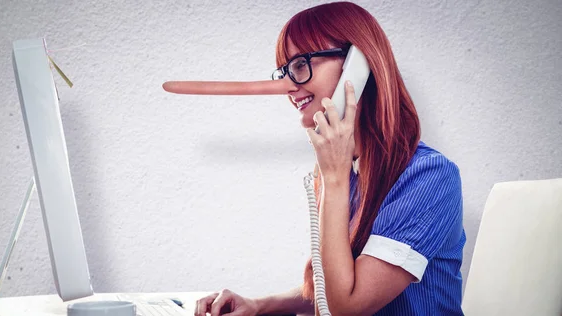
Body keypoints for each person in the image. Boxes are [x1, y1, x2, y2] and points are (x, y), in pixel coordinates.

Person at [194, 1, 466, 315]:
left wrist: (333, 178)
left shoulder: (429, 177)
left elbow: (347, 306)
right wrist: (259, 305)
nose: (289, 86)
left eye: (299, 64)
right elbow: (332, 287)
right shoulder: (345, 171)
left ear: (358, 63)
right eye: (284, 71)